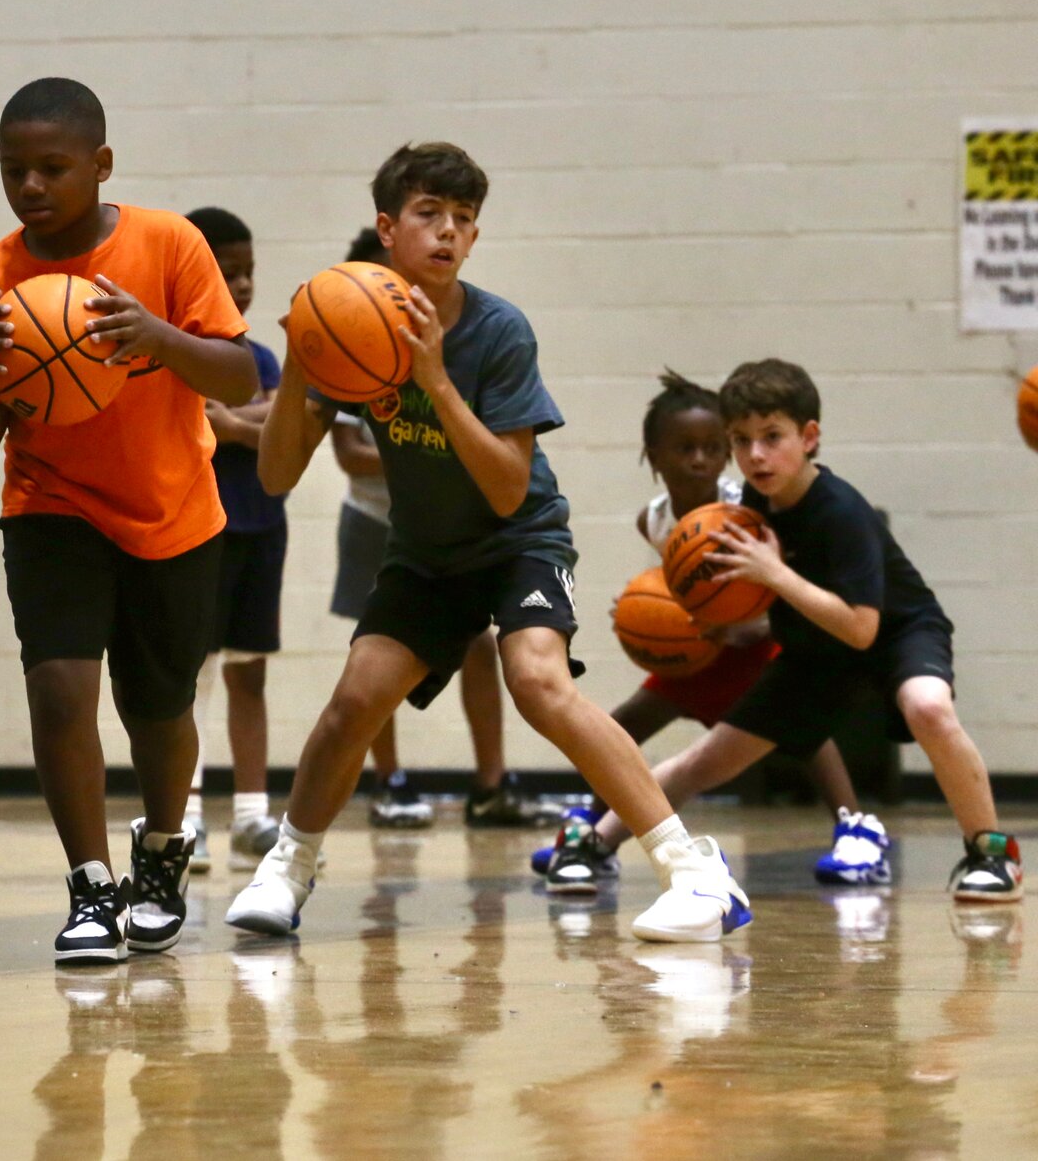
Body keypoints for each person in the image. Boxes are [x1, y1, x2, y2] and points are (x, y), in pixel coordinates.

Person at [224, 141, 751, 944]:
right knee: (355, 699)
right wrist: (300, 362)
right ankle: (288, 867)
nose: (446, 232)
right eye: (429, 214)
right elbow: (276, 475)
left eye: (463, 220)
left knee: (537, 680)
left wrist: (433, 377)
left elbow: (508, 484)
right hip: (428, 552)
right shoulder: (353, 319)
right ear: (388, 227)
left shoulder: (499, 330)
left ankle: (694, 870)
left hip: (519, 540)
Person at [0, 78, 257, 963]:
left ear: (101, 163)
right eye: (13, 170)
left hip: (172, 509)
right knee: (60, 691)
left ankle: (160, 851)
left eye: (52, 167)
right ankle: (88, 884)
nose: (30, 186)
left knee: (158, 705)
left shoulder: (168, 243)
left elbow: (239, 379)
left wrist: (158, 337)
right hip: (50, 507)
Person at [549, 359, 1021, 903]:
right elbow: (746, 599)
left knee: (929, 707)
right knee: (708, 760)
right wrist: (701, 620)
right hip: (815, 646)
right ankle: (596, 845)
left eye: (772, 438)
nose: (755, 455)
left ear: (810, 437)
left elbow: (863, 629)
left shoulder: (840, 511)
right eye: (742, 440)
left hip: (896, 632)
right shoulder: (750, 508)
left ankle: (990, 851)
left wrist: (775, 573)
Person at [532, 370, 875, 888]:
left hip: (757, 640)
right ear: (653, 454)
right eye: (684, 448)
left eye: (713, 447)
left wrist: (737, 627)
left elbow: (778, 589)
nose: (699, 459)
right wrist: (646, 617)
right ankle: (589, 826)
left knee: (806, 728)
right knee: (619, 727)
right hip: (702, 650)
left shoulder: (745, 508)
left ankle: (854, 825)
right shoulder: (654, 520)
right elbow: (678, 596)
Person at [329, 229, 553, 831]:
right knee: (369, 664)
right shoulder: (351, 340)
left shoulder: (473, 336)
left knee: (494, 654)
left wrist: (452, 443)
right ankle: (390, 780)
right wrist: (444, 451)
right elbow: (348, 453)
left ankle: (489, 782)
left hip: (455, 523)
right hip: (380, 519)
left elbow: (501, 469)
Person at [177, 207, 284, 874]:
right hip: (198, 534)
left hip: (262, 529)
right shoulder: (183, 354)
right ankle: (183, 816)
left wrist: (235, 422)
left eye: (248, 270)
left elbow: (286, 416)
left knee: (250, 673)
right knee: (193, 676)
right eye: (228, 269)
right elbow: (200, 422)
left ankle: (250, 814)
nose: (242, 283)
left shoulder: (262, 355)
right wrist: (245, 418)